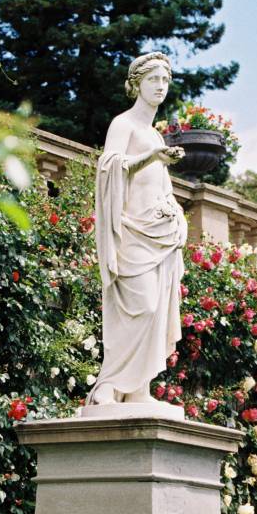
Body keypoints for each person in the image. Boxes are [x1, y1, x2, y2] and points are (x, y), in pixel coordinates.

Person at [87, 52, 187, 406]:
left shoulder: (156, 136)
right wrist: (152, 158)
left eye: (164, 80)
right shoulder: (124, 124)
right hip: (131, 232)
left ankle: (138, 389)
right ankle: (108, 386)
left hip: (159, 237)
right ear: (137, 85)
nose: (160, 86)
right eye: (153, 80)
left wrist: (177, 217)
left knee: (156, 310)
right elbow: (109, 167)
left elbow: (162, 188)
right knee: (140, 306)